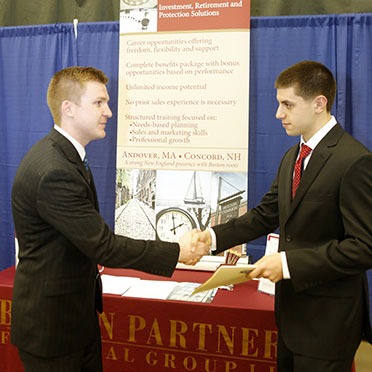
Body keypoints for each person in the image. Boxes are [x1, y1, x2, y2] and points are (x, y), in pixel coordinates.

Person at [11, 66, 209, 372]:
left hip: (72, 321)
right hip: (52, 331)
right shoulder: (54, 170)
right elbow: (103, 246)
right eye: (99, 103)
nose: (109, 112)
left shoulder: (64, 157)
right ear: (69, 108)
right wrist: (177, 251)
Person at [193, 60, 372, 372]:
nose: (279, 114)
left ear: (319, 103)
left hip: (328, 323)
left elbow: (363, 247)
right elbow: (265, 215)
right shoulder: (293, 155)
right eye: (279, 104)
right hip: (291, 317)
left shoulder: (354, 160)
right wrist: (212, 237)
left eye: (287, 104)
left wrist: (288, 263)